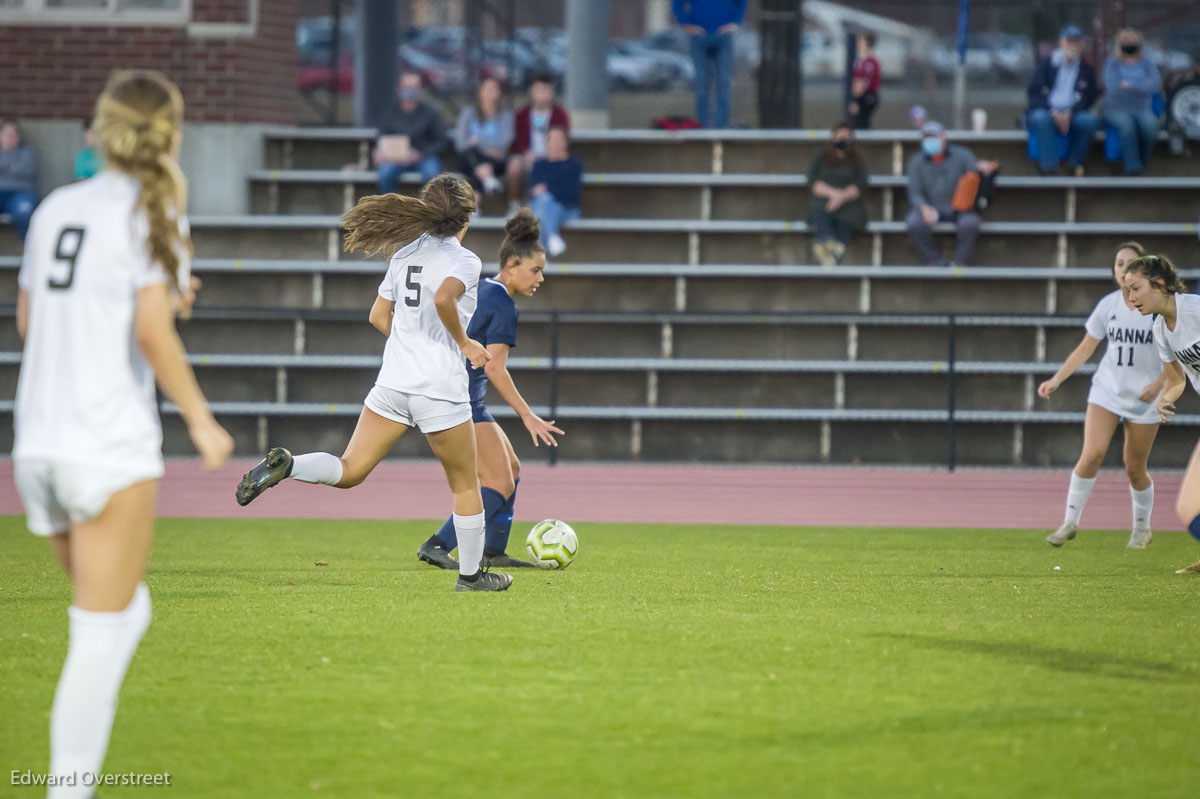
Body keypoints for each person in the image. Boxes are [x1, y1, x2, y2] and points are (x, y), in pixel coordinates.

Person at [13, 70, 234, 799]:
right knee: (99, 639)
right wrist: (201, 419)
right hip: (105, 443)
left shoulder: (53, 208)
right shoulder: (154, 209)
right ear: (171, 135)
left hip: (37, 447)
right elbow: (151, 329)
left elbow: (27, 321)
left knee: (119, 612)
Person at [235, 173, 514, 592]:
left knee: (349, 469)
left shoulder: (405, 254)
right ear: (467, 218)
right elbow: (443, 299)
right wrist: (466, 343)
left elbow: (378, 317)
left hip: (393, 383)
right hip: (439, 387)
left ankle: (290, 465)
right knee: (466, 484)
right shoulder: (465, 261)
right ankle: (471, 577)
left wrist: (409, 345)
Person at [418, 209, 565, 571]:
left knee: (511, 471)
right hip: (460, 401)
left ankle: (494, 551)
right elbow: (495, 367)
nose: (541, 278)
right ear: (512, 265)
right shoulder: (502, 302)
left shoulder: (484, 287)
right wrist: (528, 415)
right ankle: (437, 545)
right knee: (497, 481)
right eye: (536, 270)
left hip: (463, 396)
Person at [1038, 242, 1162, 549]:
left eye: (1131, 264)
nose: (1124, 270)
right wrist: (1057, 379)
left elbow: (1177, 356)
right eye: (1119, 264)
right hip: (1107, 390)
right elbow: (1086, 348)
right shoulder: (1108, 305)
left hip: (1145, 398)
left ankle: (1142, 528)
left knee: (1134, 467)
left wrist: (1159, 385)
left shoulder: (1158, 308)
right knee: (1091, 454)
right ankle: (1069, 522)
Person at [1123, 254, 1200, 573]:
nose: (1131, 298)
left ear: (1161, 284)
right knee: (1188, 509)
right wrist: (1166, 399)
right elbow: (1175, 379)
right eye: (1128, 291)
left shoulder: (1195, 309)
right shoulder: (1161, 329)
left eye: (1136, 288)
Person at [905, 120, 996, 266]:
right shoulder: (916, 162)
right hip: (931, 207)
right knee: (914, 222)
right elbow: (915, 192)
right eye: (926, 138)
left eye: (934, 137)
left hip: (960, 207)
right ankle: (933, 260)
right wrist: (923, 207)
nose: (930, 141)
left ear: (944, 138)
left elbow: (976, 172)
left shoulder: (963, 155)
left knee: (970, 222)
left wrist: (982, 167)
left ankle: (961, 261)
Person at [1026, 25, 1100, 176]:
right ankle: (1050, 168)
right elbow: (1033, 94)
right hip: (1047, 110)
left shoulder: (1087, 70)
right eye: (1069, 41)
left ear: (1082, 44)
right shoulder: (1046, 65)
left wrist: (1070, 112)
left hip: (1073, 113)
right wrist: (1054, 113)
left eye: (1076, 41)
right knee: (1040, 118)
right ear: (1061, 42)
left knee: (1088, 121)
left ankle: (1073, 164)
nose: (1073, 45)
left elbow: (1088, 99)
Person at [673, 0, 746, 129]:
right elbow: (677, 4)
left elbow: (741, 3)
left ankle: (721, 127)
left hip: (723, 38)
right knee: (702, 84)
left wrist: (735, 22)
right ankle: (702, 127)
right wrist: (686, 24)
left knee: (723, 83)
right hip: (699, 38)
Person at [507, 72, 570, 215]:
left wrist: (550, 154)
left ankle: (535, 205)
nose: (542, 94)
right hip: (528, 156)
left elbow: (564, 139)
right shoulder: (522, 115)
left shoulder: (560, 114)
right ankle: (514, 205)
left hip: (551, 156)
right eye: (539, 90)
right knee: (514, 166)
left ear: (552, 92)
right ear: (532, 91)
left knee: (545, 166)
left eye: (546, 90)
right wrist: (526, 154)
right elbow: (519, 141)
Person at [374, 71, 447, 194]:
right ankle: (390, 210)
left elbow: (440, 141)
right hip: (395, 159)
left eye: (414, 87)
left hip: (425, 157)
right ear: (399, 88)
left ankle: (429, 212)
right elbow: (381, 137)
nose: (410, 91)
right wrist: (379, 151)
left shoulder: (431, 114)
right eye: (406, 87)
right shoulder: (390, 113)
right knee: (385, 174)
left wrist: (419, 155)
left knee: (432, 175)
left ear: (420, 89)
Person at [807, 121, 868, 266]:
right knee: (821, 215)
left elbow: (860, 185)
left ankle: (828, 255)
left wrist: (841, 198)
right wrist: (833, 194)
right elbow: (813, 182)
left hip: (849, 206)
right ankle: (828, 250)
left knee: (846, 221)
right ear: (833, 137)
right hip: (824, 202)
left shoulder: (857, 161)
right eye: (841, 136)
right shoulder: (821, 158)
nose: (844, 140)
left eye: (847, 137)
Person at [1102, 28, 1162, 176]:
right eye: (1126, 42)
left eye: (1133, 41)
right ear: (1119, 44)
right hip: (1115, 109)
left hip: (1142, 109)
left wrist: (1129, 84)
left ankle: (1142, 164)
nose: (1130, 44)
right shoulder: (1112, 63)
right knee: (1126, 125)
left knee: (1151, 125)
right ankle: (1133, 168)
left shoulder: (1147, 64)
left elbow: (1155, 86)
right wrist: (1142, 83)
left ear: (1140, 44)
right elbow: (1113, 87)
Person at [454, 77, 514, 198]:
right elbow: (460, 143)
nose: (490, 92)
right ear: (480, 92)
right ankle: (488, 180)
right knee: (472, 156)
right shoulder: (468, 112)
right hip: (470, 158)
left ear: (499, 93)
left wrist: (477, 142)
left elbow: (504, 142)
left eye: (494, 89)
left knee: (477, 163)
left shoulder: (507, 115)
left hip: (495, 161)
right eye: (487, 89)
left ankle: (474, 207)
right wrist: (487, 148)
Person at [528, 127, 582, 257]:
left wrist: (547, 187)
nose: (556, 144)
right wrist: (554, 187)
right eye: (553, 140)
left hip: (567, 210)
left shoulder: (573, 164)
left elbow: (571, 193)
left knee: (543, 202)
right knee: (543, 201)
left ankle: (541, 254)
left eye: (559, 140)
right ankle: (553, 237)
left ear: (566, 143)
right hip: (544, 207)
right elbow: (532, 192)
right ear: (547, 143)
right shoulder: (539, 165)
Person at [0, 119, 39, 241]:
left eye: (13, 135)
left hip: (20, 193)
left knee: (25, 211)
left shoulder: (27, 153)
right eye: (7, 135)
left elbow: (29, 170)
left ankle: (25, 247)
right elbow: (18, 169)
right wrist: (14, 166)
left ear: (18, 137)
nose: (10, 138)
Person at [848, 32, 881, 130]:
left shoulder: (865, 63)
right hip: (871, 96)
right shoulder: (874, 61)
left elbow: (859, 83)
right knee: (864, 122)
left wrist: (855, 101)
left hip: (865, 96)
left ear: (866, 43)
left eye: (860, 41)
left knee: (859, 123)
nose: (858, 44)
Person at [75, 115, 102, 181]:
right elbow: (83, 183)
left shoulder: (113, 156)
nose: (86, 137)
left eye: (90, 133)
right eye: (85, 133)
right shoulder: (84, 157)